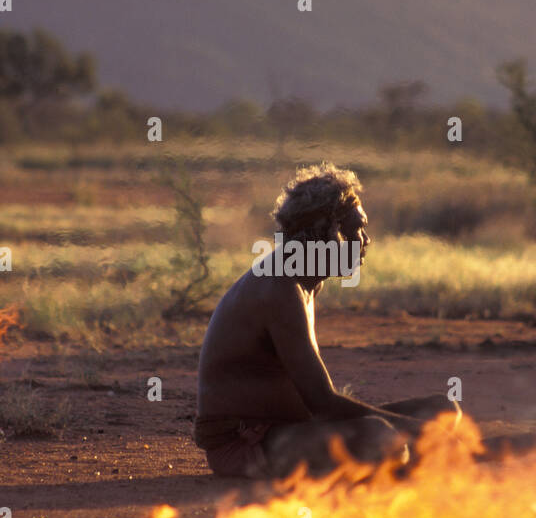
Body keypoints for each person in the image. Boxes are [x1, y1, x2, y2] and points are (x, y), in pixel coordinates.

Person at [193, 162, 458, 478]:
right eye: (354, 229)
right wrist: (416, 431)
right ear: (326, 234)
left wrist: (420, 428)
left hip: (294, 428)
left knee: (441, 410)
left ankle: (404, 465)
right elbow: (324, 404)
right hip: (247, 445)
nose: (365, 240)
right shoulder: (280, 289)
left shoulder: (305, 279)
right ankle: (400, 475)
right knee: (379, 437)